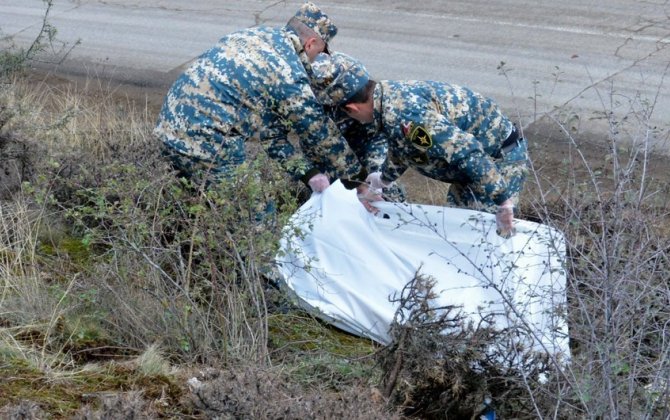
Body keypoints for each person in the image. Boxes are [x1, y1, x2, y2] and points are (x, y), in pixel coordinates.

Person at [153, 2, 366, 192]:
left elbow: (271, 134)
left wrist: (309, 174)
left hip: (167, 130)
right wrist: (358, 182)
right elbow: (319, 132)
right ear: (310, 43)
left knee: (193, 201)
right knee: (255, 215)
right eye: (320, 52)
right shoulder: (288, 72)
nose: (316, 59)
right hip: (208, 144)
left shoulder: (249, 36)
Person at [315, 53, 529, 237]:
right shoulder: (387, 99)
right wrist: (383, 180)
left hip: (495, 166)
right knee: (459, 233)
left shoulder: (406, 115)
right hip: (472, 171)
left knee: (487, 240)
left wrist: (502, 201)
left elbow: (468, 151)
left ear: (352, 108)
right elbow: (405, 148)